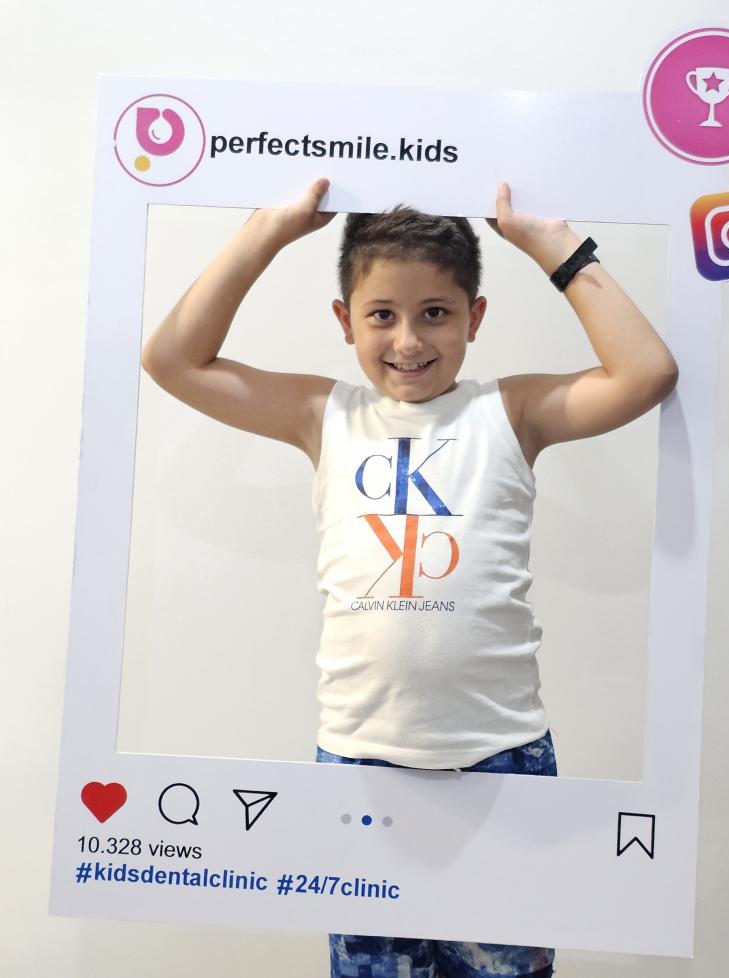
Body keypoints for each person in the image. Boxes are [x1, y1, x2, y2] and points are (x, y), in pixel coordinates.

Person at [141, 177, 678, 978]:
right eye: (381, 315)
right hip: (361, 769)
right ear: (344, 321)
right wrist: (267, 230)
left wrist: (550, 242)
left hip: (502, 763)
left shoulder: (510, 413)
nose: (408, 340)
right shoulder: (324, 415)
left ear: (474, 318)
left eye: (435, 313)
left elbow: (646, 372)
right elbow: (171, 360)